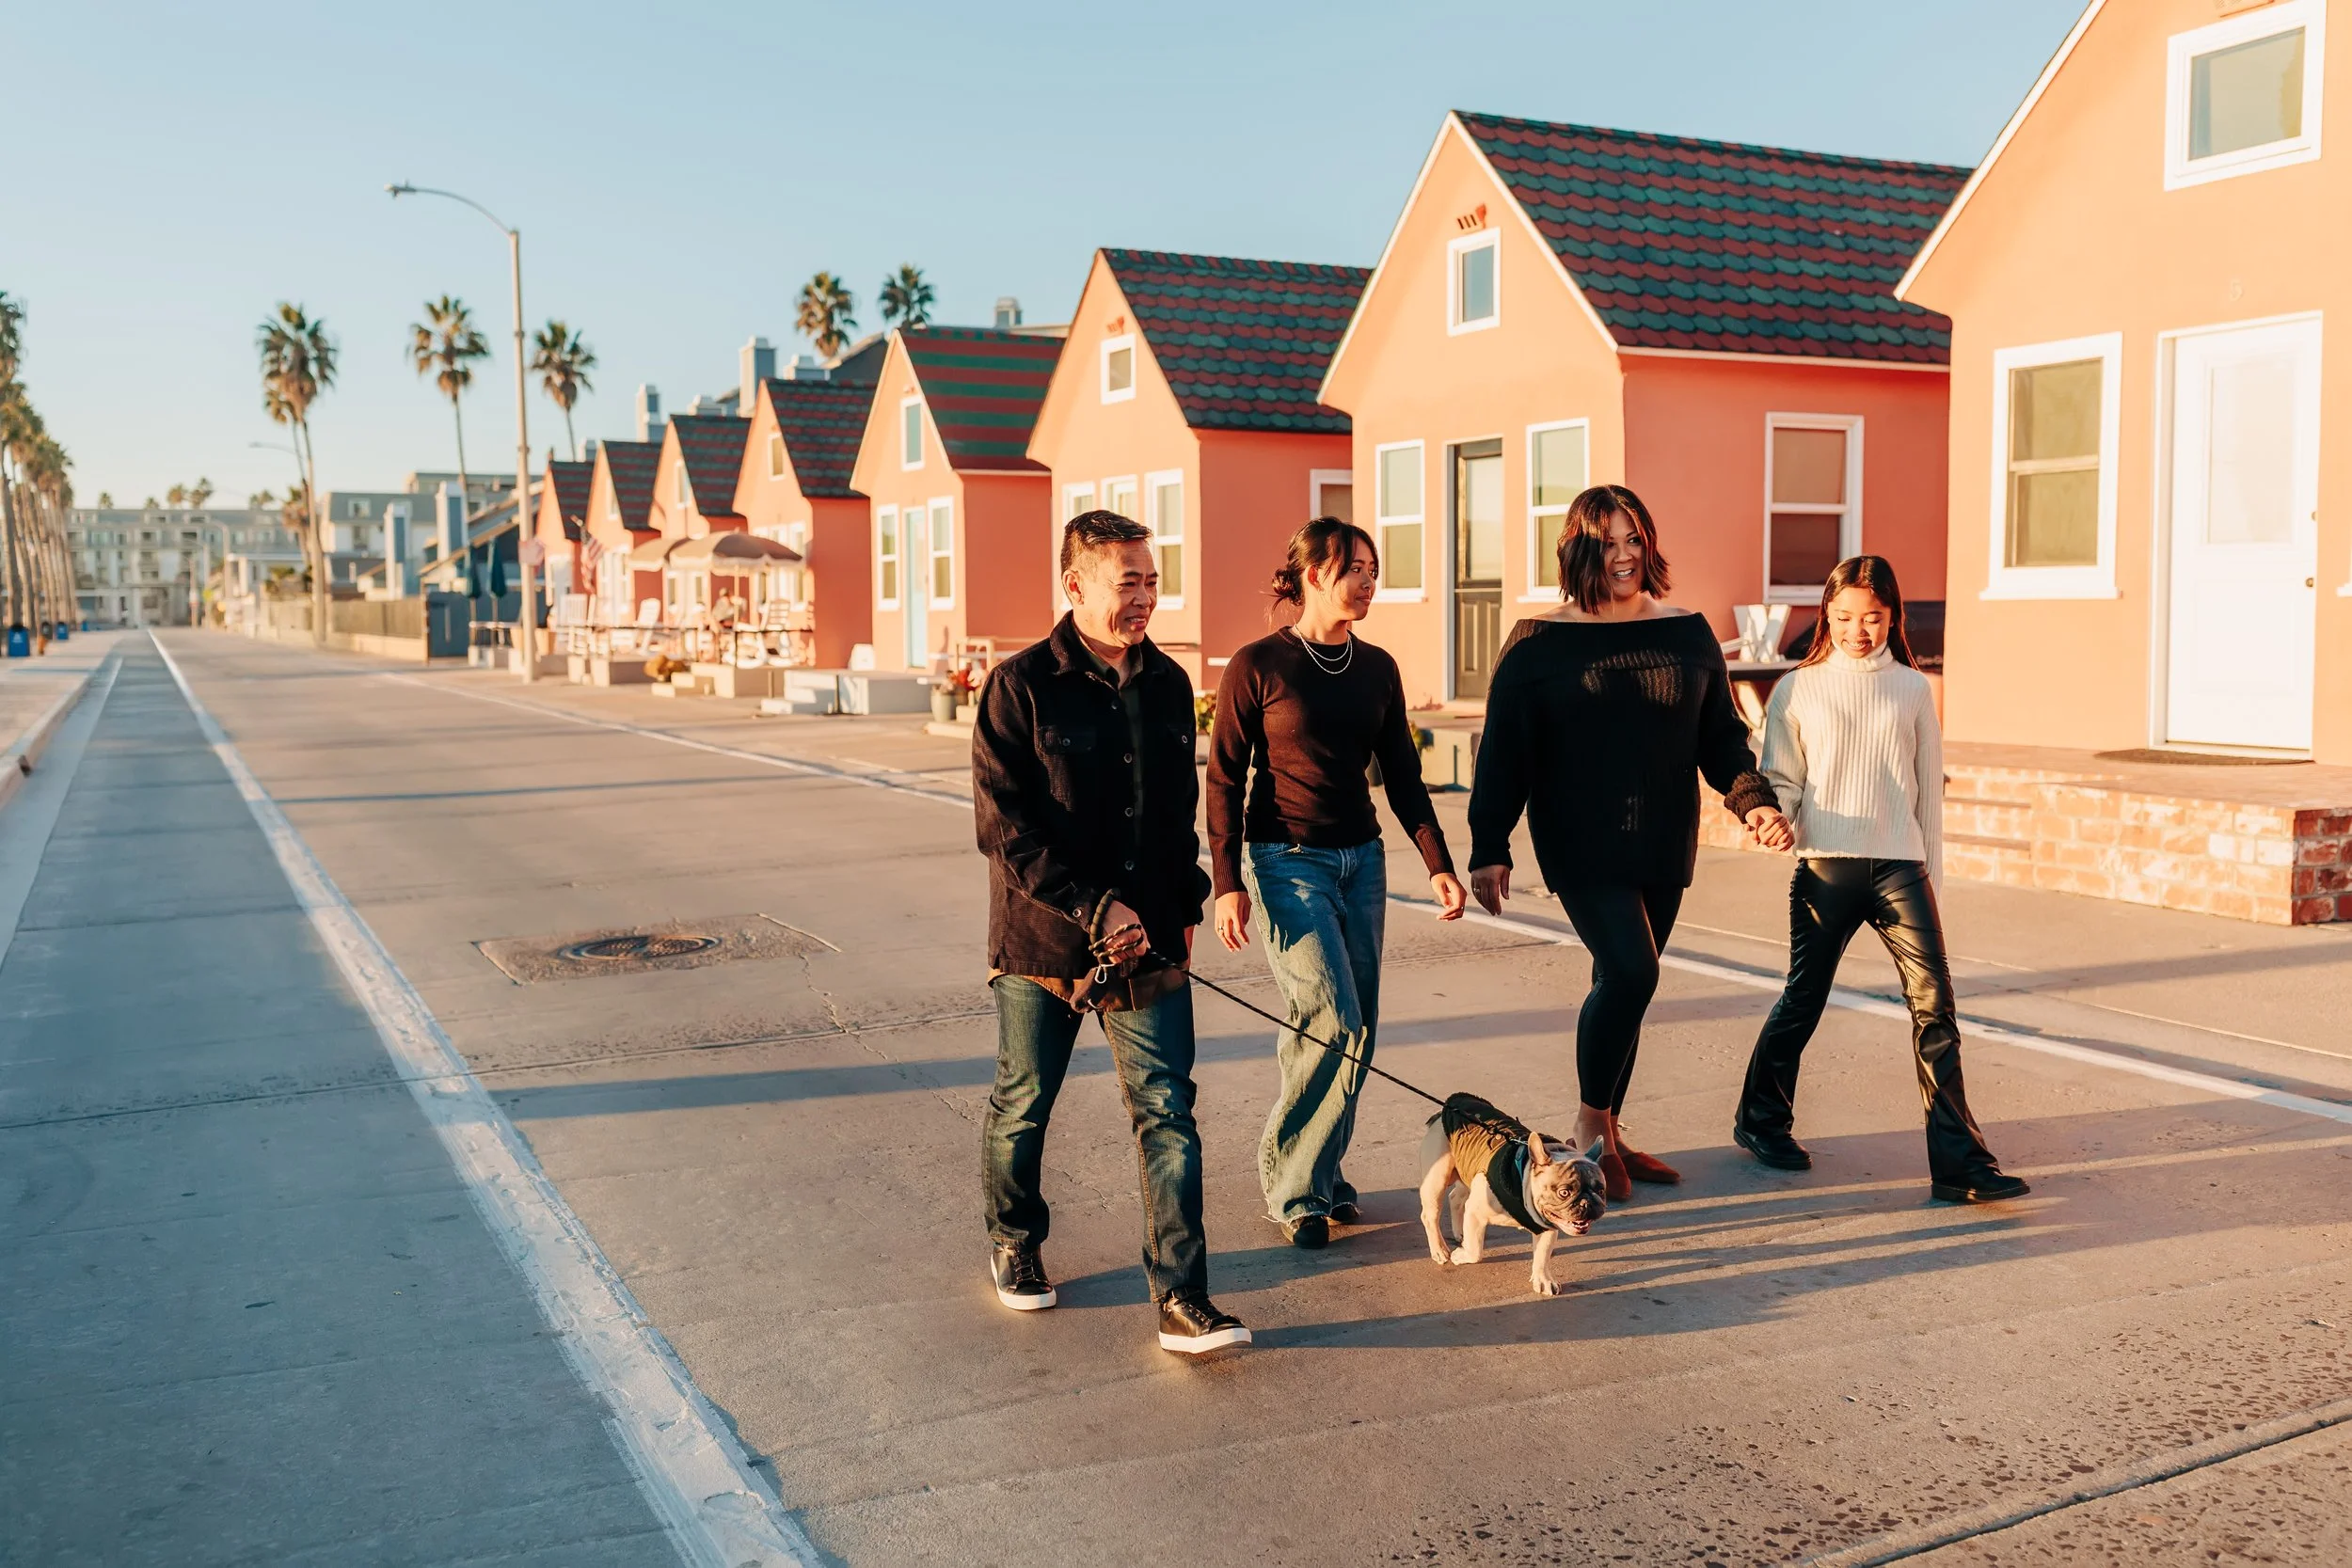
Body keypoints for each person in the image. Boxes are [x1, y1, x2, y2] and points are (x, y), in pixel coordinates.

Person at [970, 509, 1251, 1356]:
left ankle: (1182, 1297)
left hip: (1148, 941)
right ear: (1075, 585)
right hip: (1043, 944)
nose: (1144, 598)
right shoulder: (1018, 686)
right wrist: (1094, 907)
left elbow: (1172, 818)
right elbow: (1004, 830)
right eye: (1127, 581)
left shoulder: (1167, 685)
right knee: (1025, 1106)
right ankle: (1014, 1238)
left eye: (1152, 580)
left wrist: (1185, 908)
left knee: (1169, 1112)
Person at [1468, 484, 1794, 1201]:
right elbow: (1503, 754)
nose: (1624, 555)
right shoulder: (1537, 642)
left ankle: (1609, 1133)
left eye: (1634, 539)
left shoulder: (1686, 630)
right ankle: (1591, 1134)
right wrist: (1489, 844)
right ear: (1579, 550)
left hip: (1661, 837)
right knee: (1632, 971)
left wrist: (1755, 805)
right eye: (1607, 542)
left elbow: (1720, 739)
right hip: (1578, 836)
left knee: (1623, 989)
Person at [1732, 556, 2028, 1202]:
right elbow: (1781, 780)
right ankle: (1760, 1118)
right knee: (1803, 1000)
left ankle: (1959, 1166)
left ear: (1894, 616)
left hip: (1900, 866)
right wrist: (1774, 820)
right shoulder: (1797, 689)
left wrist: (1935, 889)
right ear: (1825, 616)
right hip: (1825, 867)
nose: (1857, 630)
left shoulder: (1914, 690)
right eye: (1843, 617)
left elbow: (1928, 804)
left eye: (1872, 617)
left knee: (1936, 1008)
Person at [1208, 518, 1469, 1250]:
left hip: (1362, 859)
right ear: (1313, 573)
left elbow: (1405, 778)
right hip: (1284, 859)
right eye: (1354, 567)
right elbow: (1225, 778)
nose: (1367, 580)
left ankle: (1321, 1171)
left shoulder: (1378, 667)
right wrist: (1226, 881)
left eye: (1374, 569)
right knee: (1332, 1014)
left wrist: (1439, 863)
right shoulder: (1257, 664)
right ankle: (1295, 1189)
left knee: (1355, 1026)